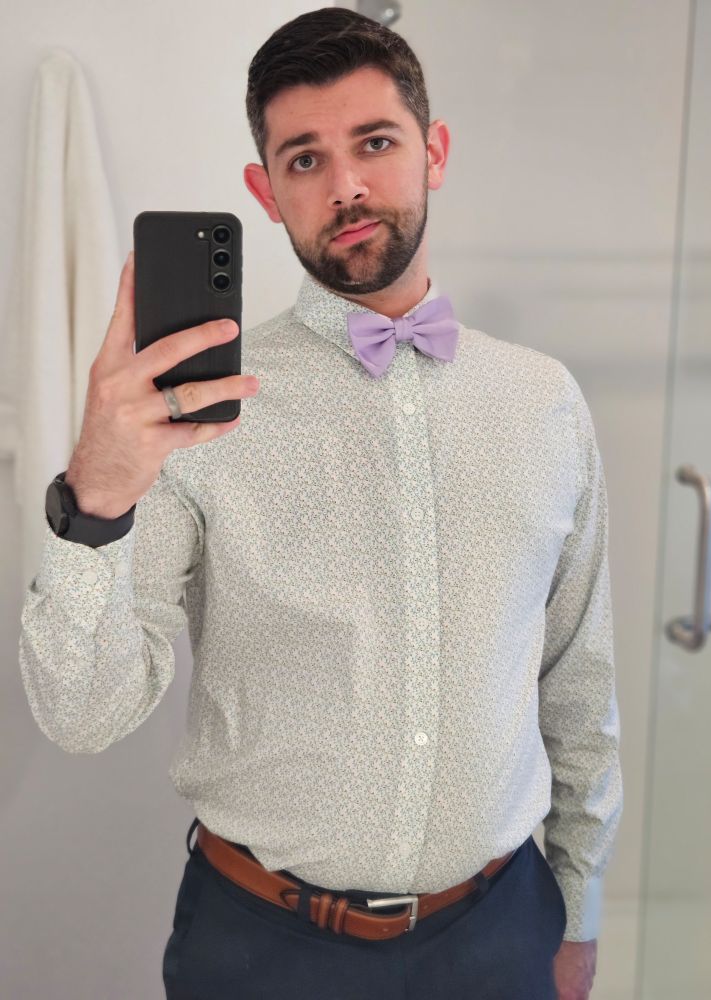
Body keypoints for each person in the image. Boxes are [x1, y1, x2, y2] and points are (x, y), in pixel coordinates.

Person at [18, 7, 623, 1000]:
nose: (345, 185)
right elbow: (83, 716)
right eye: (304, 159)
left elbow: (578, 680)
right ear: (265, 190)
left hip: (502, 930)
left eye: (374, 144)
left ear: (433, 150)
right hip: (259, 946)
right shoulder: (196, 417)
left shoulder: (545, 403)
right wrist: (97, 498)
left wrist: (580, 900)